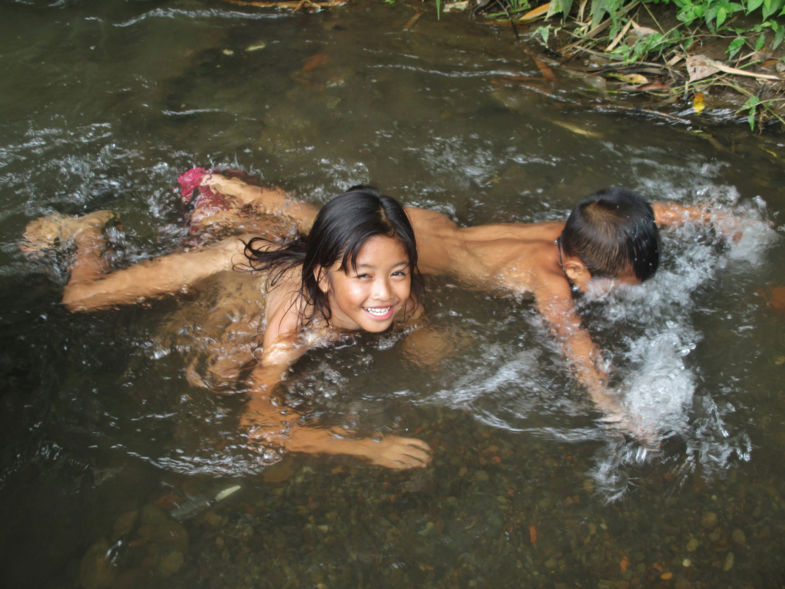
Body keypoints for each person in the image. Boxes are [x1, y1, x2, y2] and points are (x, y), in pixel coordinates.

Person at [195, 171, 745, 433]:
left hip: (433, 228)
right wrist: (613, 407)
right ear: (576, 268)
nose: (623, 291)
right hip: (430, 257)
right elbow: (572, 340)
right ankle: (230, 210)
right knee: (314, 230)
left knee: (315, 218)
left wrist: (711, 217)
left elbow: (648, 212)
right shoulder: (550, 281)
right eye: (618, 284)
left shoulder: (578, 230)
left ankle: (235, 192)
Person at [20, 184, 432, 470]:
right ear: (325, 278)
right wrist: (366, 447)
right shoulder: (291, 332)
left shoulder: (403, 298)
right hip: (235, 263)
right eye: (363, 276)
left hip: (283, 262)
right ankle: (89, 229)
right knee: (80, 300)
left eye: (398, 272)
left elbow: (419, 322)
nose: (385, 294)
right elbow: (258, 424)